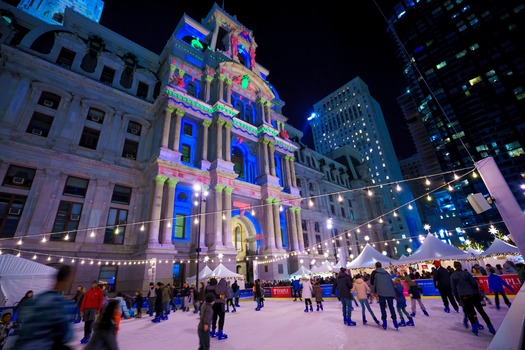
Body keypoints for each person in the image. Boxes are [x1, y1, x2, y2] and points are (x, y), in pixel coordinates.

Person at [8, 265, 74, 349]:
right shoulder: (59, 304)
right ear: (66, 280)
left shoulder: (37, 298)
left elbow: (23, 322)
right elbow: (67, 335)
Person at [450, 261, 496, 336]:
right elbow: (474, 283)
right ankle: (490, 326)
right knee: (481, 311)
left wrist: (458, 300)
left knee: (469, 312)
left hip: (463, 296)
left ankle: (474, 328)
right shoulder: (466, 273)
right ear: (461, 266)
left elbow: (454, 289)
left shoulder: (453, 275)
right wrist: (476, 291)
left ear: (454, 267)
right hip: (473, 294)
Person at [370, 261, 398, 330]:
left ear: (376, 266)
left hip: (381, 293)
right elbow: (391, 282)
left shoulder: (374, 273)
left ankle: (384, 322)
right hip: (390, 292)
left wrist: (373, 291)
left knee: (382, 307)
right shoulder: (386, 272)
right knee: (391, 307)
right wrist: (394, 291)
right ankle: (395, 321)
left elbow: (372, 283)